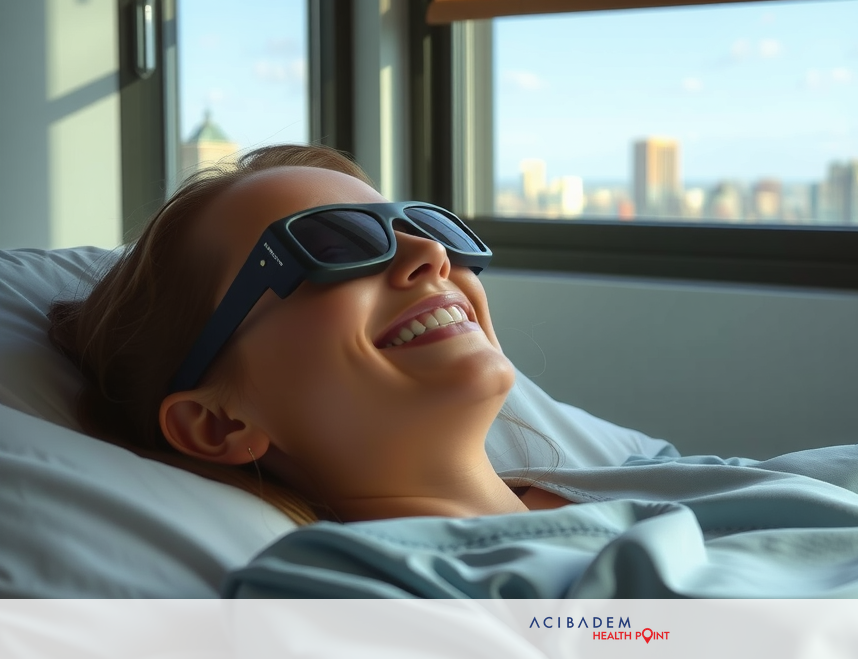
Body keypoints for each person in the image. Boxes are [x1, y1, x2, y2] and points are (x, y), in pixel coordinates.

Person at [49, 144, 569, 524]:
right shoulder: (358, 603)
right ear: (217, 424)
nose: (432, 256)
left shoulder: (633, 480)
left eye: (429, 228)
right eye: (336, 246)